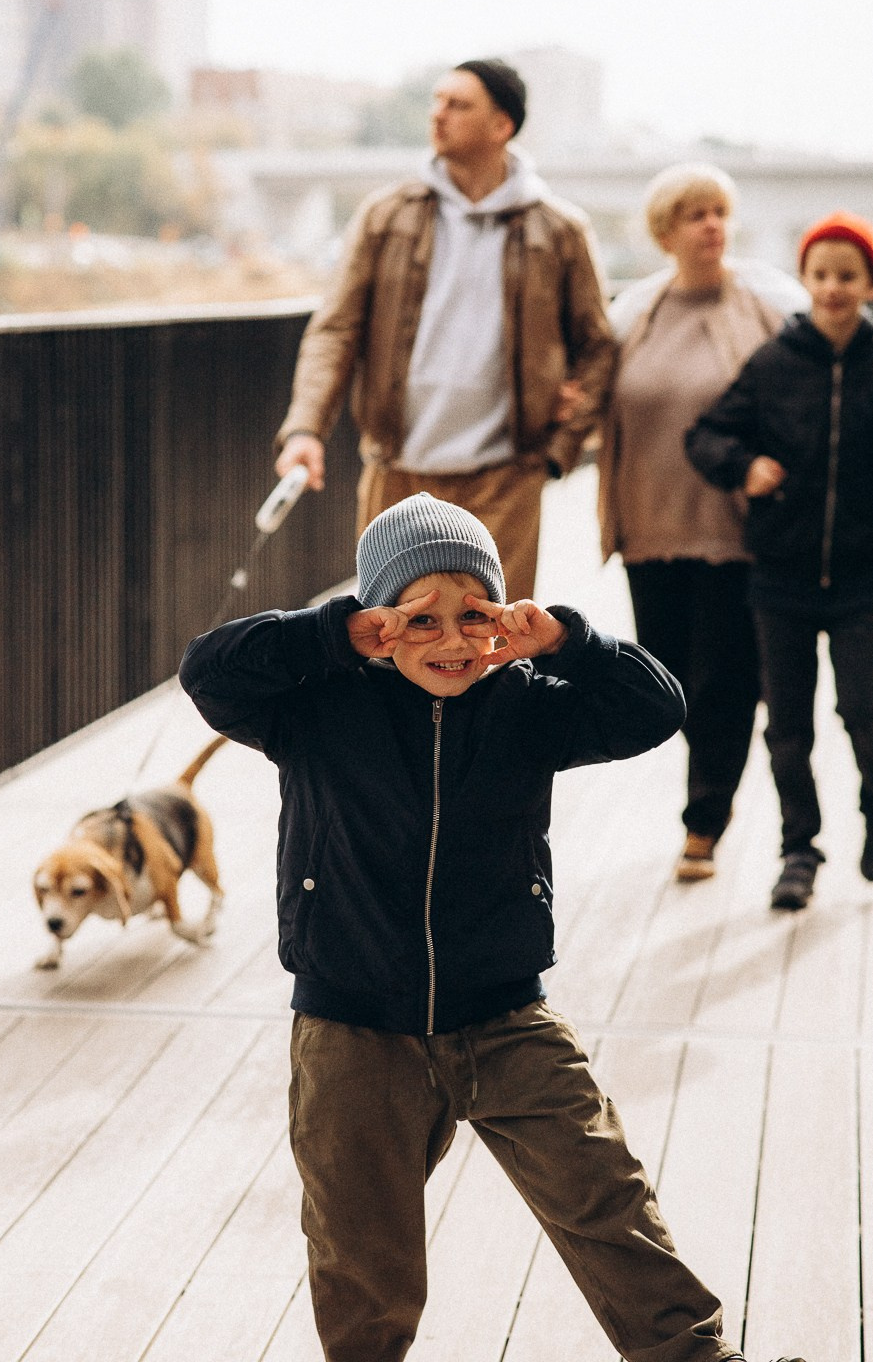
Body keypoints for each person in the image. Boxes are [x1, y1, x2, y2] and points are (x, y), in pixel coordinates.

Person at [179, 492, 803, 1362]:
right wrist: (329, 635)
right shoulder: (315, 709)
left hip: (506, 1018)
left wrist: (568, 641)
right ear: (378, 621)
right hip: (353, 1028)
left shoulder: (527, 701)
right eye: (417, 617)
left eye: (470, 615)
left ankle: (693, 1357)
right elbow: (207, 671)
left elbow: (654, 710)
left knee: (604, 1197)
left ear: (502, 619)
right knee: (362, 1250)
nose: (448, 640)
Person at [273, 57, 615, 602]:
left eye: (458, 105)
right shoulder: (386, 216)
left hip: (507, 475)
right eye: (436, 101)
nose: (438, 115)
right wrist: (304, 429)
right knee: (390, 637)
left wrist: (561, 446)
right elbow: (335, 330)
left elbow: (598, 345)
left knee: (492, 641)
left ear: (502, 126)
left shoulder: (559, 229)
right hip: (399, 472)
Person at [599, 163, 807, 882]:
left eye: (718, 212)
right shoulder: (634, 314)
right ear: (664, 232)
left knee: (725, 677)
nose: (711, 226)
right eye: (694, 214)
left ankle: (703, 821)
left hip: (736, 531)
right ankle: (706, 790)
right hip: (647, 527)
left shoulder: (764, 308)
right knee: (670, 677)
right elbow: (593, 398)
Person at [686, 211, 873, 911]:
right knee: (786, 728)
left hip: (862, 581)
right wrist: (743, 467)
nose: (831, 288)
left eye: (846, 276)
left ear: (866, 283)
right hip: (780, 579)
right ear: (805, 279)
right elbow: (703, 435)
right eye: (820, 275)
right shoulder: (773, 362)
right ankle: (799, 851)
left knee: (865, 713)